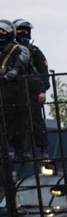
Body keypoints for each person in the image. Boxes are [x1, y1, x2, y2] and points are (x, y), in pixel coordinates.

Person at [13, 19, 49, 157]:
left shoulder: (35, 51)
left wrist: (42, 91)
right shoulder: (10, 52)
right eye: (20, 30)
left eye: (25, 30)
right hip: (15, 93)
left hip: (33, 91)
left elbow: (43, 73)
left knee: (36, 121)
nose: (23, 33)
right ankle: (20, 150)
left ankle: (44, 150)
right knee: (17, 123)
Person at [0, 19, 32, 159]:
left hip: (15, 92)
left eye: (3, 32)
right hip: (1, 93)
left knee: (18, 125)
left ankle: (21, 150)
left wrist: (15, 70)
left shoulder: (19, 48)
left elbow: (23, 59)